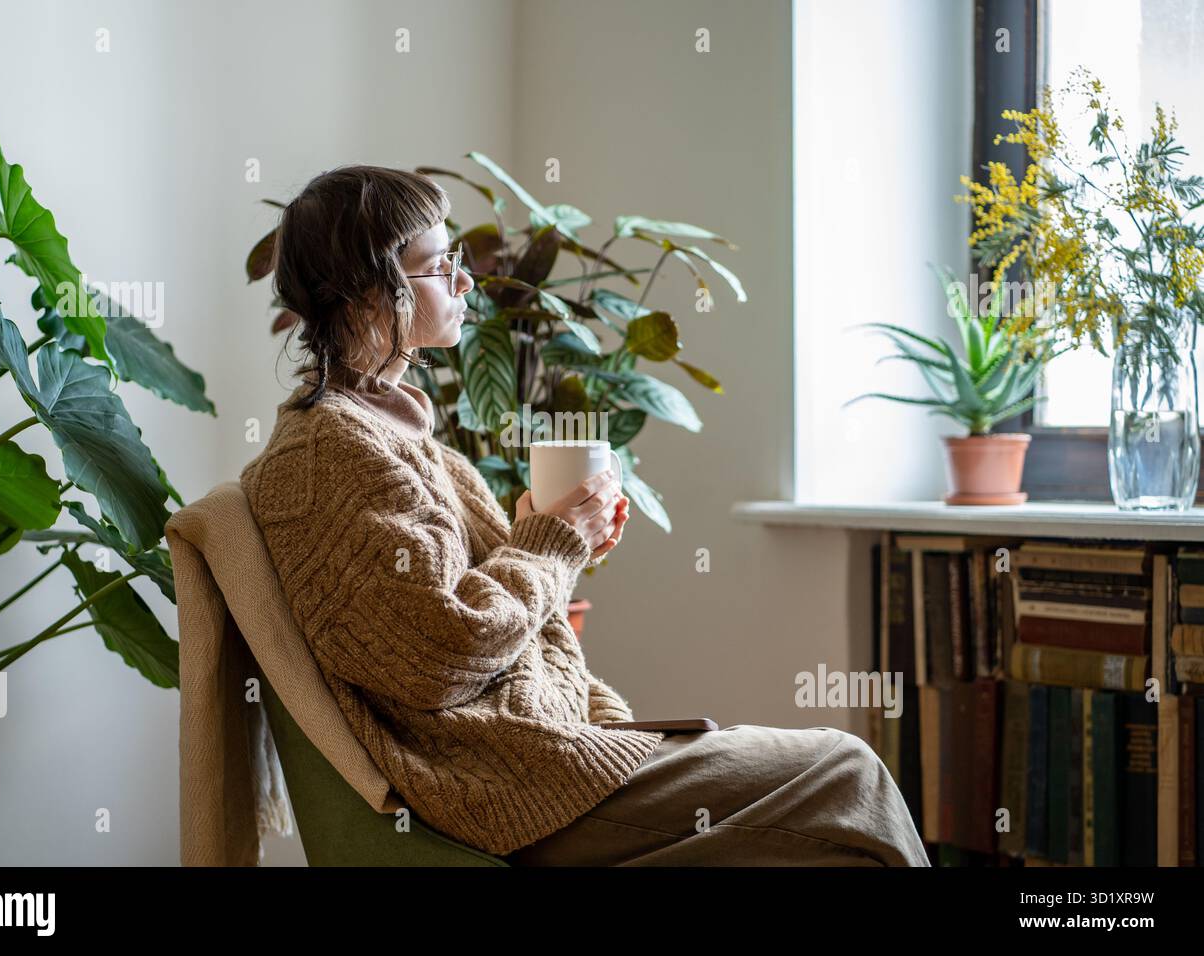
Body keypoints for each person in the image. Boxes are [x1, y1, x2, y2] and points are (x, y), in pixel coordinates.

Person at [240, 164, 930, 867]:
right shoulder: (329, 455)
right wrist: (558, 541)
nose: (465, 280)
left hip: (543, 762)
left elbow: (490, 635)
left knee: (836, 844)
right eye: (440, 264)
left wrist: (608, 717)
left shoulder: (396, 439)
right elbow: (436, 655)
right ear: (366, 292)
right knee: (848, 771)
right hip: (501, 793)